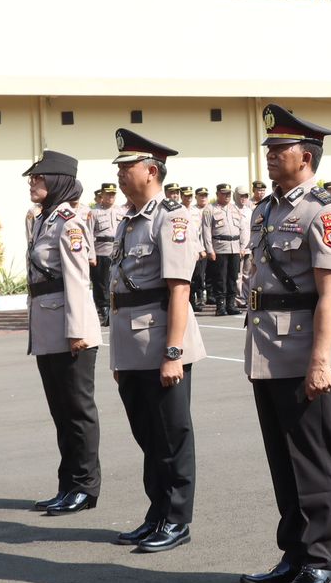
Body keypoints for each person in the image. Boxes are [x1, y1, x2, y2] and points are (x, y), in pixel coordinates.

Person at [239, 104, 331, 583]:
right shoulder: (266, 210)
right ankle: (293, 553)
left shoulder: (325, 211)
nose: (270, 155)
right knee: (283, 461)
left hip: (307, 351)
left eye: (279, 148)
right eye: (269, 148)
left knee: (313, 461)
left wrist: (320, 361)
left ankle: (320, 560)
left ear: (305, 156)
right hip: (268, 349)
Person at [105, 131, 206, 552]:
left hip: (161, 343)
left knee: (171, 435)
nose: (120, 173)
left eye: (126, 166)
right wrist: (118, 357)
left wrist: (173, 353)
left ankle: (176, 519)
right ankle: (157, 513)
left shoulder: (172, 218)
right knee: (148, 436)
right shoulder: (128, 219)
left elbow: (179, 289)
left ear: (150, 171)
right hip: (132, 346)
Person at [23, 150, 102, 518]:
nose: (32, 182)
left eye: (38, 177)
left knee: (77, 411)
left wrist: (77, 332)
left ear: (56, 181)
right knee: (60, 412)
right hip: (48, 329)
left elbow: (76, 279)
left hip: (72, 332)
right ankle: (67, 484)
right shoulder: (43, 220)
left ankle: (84, 487)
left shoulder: (68, 223)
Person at [203, 182, 247, 316]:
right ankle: (220, 306)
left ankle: (231, 304)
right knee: (220, 278)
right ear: (217, 194)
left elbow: (243, 229)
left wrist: (243, 247)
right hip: (220, 248)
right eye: (224, 193)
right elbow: (206, 230)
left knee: (233, 278)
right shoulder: (210, 209)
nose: (227, 196)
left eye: (228, 193)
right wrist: (209, 249)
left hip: (235, 247)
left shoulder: (235, 209)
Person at [89, 183, 121, 325]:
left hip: (117, 251)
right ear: (101, 195)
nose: (111, 196)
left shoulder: (120, 211)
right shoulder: (94, 212)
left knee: (116, 281)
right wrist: (91, 255)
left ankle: (115, 309)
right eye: (108, 193)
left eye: (113, 194)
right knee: (101, 283)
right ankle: (104, 310)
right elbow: (89, 234)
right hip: (101, 251)